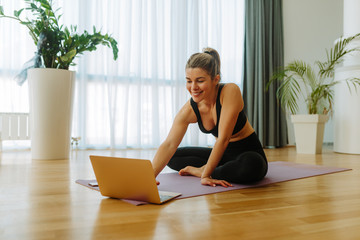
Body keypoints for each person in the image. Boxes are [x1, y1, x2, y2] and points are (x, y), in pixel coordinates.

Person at [152, 47, 268, 187]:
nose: (193, 87)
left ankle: (203, 170)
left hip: (247, 153)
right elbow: (169, 144)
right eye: (189, 81)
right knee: (174, 157)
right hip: (221, 155)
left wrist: (206, 175)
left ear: (215, 79)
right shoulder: (191, 108)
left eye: (200, 81)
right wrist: (150, 175)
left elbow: (223, 139)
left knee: (250, 166)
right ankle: (213, 168)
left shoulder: (230, 91)